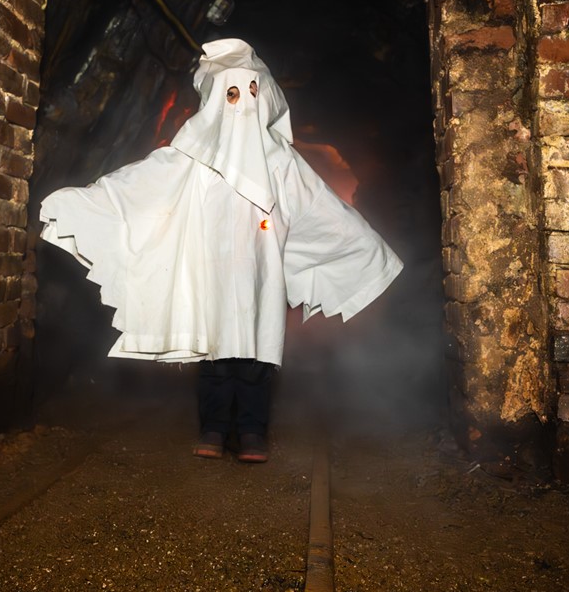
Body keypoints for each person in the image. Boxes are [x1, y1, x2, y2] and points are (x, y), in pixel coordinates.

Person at [40, 38, 402, 462]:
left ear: (265, 97)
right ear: (215, 100)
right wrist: (85, 203)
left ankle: (251, 432)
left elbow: (321, 208)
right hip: (209, 270)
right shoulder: (192, 158)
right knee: (215, 353)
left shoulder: (281, 163)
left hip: (260, 275)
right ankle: (213, 428)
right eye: (232, 94)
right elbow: (138, 187)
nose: (243, 104)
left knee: (257, 357)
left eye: (251, 92)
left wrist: (365, 246)